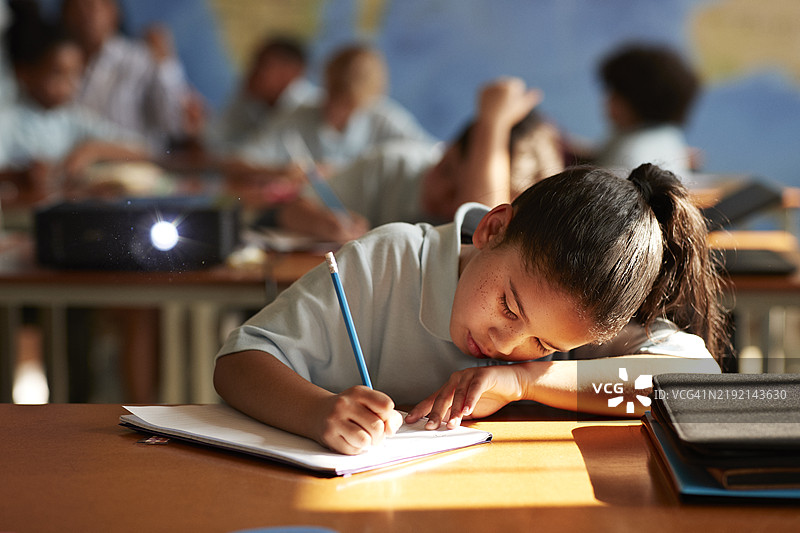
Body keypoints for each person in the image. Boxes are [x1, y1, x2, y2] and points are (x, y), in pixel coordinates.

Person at [214, 163, 727, 455]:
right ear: (492, 229)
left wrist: (527, 381)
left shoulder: (579, 310)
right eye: (508, 305)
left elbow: (695, 383)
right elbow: (239, 361)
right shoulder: (387, 262)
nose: (506, 345)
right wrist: (315, 411)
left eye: (543, 344)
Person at [271, 77, 562, 242]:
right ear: (444, 148)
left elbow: (477, 228)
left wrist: (493, 122)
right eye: (446, 171)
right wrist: (321, 224)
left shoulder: (492, 229)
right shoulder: (395, 164)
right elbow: (289, 210)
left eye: (460, 194)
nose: (440, 195)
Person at [0, 0, 147, 196]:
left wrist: (92, 150)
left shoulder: (71, 119)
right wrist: (21, 176)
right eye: (57, 74)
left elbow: (141, 150)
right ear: (24, 74)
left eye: (74, 75)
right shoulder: (8, 121)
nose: (67, 86)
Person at [235, 43, 435, 175]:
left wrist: (345, 171)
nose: (335, 110)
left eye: (348, 104)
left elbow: (430, 155)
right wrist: (283, 171)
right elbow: (244, 158)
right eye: (331, 95)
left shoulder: (384, 118)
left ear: (369, 100)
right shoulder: (299, 115)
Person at [60, 0, 194, 152]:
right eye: (76, 7)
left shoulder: (141, 59)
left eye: (92, 6)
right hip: (77, 168)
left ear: (114, 12)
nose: (85, 14)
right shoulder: (58, 66)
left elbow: (174, 123)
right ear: (65, 14)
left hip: (136, 166)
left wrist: (166, 64)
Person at [568, 42, 701, 176]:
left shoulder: (633, 155)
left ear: (639, 100)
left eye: (614, 93)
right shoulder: (666, 135)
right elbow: (596, 153)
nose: (606, 101)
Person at [205, 36, 321, 153]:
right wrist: (197, 132)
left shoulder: (308, 106)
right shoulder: (249, 98)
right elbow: (214, 140)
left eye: (262, 65)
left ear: (290, 72)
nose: (251, 72)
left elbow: (251, 157)